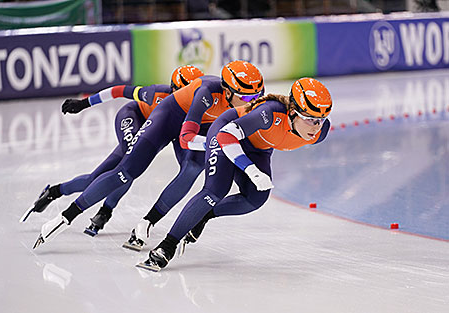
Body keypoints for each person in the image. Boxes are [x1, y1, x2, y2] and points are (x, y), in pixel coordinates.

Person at [32, 60, 265, 249]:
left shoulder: (245, 101)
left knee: (193, 168)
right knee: (126, 171)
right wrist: (85, 104)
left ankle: (148, 221)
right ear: (227, 91)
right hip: (169, 119)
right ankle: (67, 216)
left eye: (256, 95)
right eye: (245, 98)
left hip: (199, 126)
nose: (251, 102)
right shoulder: (203, 93)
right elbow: (185, 137)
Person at [137, 77, 332, 272]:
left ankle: (203, 217)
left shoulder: (320, 132)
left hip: (258, 148)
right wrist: (251, 170)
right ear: (292, 112)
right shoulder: (269, 113)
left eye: (320, 120)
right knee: (214, 192)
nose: (316, 127)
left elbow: (279, 138)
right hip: (225, 132)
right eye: (310, 119)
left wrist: (254, 165)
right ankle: (166, 247)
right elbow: (225, 136)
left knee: (256, 198)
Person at [21, 65, 204, 237]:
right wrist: (84, 104)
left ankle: (57, 191)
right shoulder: (156, 94)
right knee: (127, 168)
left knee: (96, 179)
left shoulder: (203, 104)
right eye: (183, 94)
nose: (188, 99)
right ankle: (103, 209)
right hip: (135, 117)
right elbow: (118, 91)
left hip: (159, 131)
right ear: (173, 90)